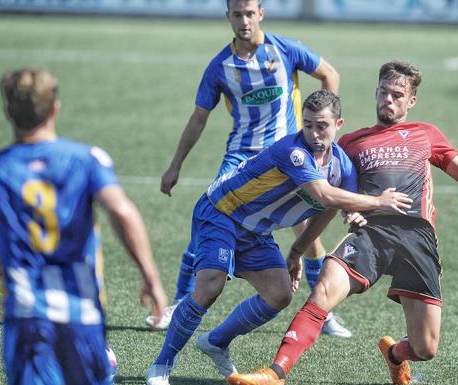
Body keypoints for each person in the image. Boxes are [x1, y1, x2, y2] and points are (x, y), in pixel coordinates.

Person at [227, 60, 458, 385]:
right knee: (323, 292)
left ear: (411, 101)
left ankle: (396, 354)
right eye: (384, 92)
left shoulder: (425, 134)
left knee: (425, 348)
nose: (388, 100)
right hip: (370, 234)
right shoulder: (351, 143)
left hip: (417, 239)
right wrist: (299, 250)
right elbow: (331, 200)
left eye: (397, 95)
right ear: (376, 92)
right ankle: (276, 373)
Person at [145, 90, 413, 385]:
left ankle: (216, 341)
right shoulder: (294, 152)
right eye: (307, 124)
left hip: (255, 230)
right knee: (210, 285)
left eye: (321, 125)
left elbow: (333, 207)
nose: (313, 132)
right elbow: (324, 195)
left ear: (338, 124)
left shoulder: (342, 167)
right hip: (221, 211)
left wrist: (298, 251)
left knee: (280, 294)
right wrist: (377, 201)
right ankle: (161, 365)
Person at [149, 0, 352, 338]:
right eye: (237, 14)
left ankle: (321, 311)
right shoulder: (220, 66)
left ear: (261, 13)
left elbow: (330, 74)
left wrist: (323, 130)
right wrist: (175, 165)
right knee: (210, 220)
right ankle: (180, 301)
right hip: (241, 157)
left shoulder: (284, 49)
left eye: (249, 13)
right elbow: (200, 117)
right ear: (228, 16)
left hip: (289, 156)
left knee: (306, 228)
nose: (244, 21)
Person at [0, 67, 168, 385]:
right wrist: (151, 278)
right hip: (81, 312)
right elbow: (122, 212)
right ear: (55, 108)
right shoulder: (86, 160)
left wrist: (18, 268)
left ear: (7, 112)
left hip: (25, 316)